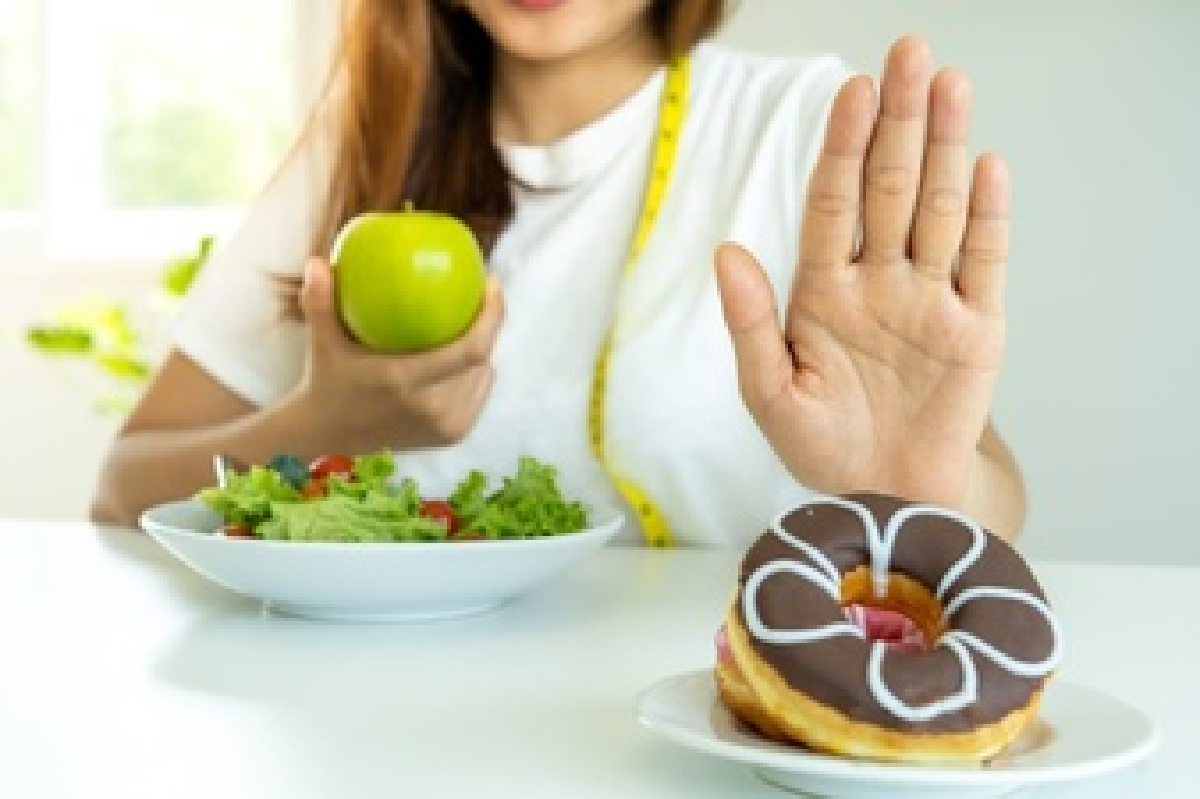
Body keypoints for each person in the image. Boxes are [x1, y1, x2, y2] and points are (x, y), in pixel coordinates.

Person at [91, 0, 1025, 546]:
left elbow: (996, 502)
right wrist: (320, 422)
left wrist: (919, 487)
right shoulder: (363, 151)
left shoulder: (798, 129)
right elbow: (121, 492)